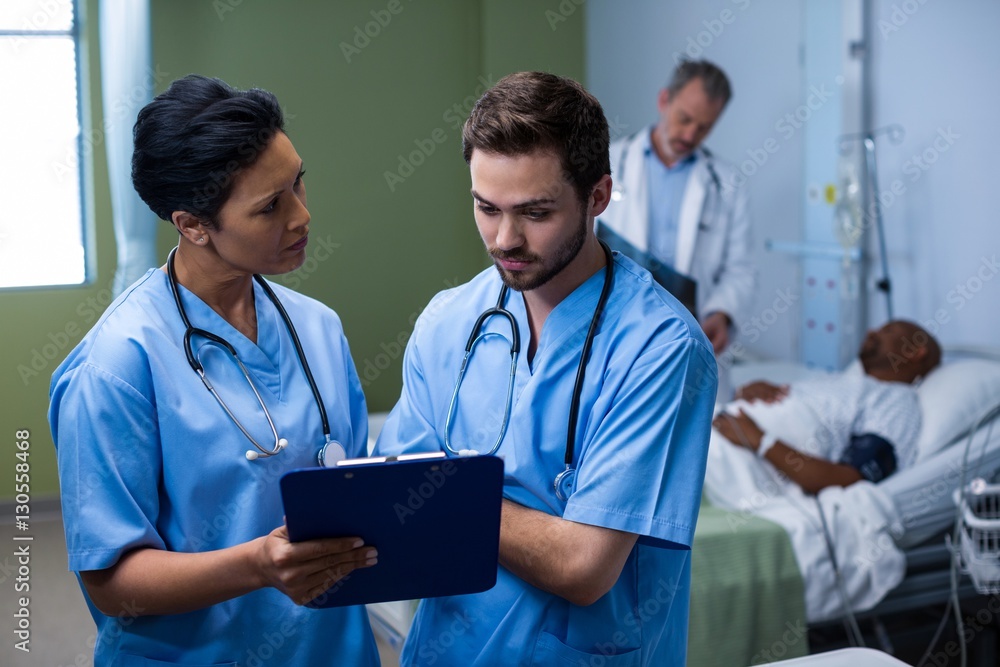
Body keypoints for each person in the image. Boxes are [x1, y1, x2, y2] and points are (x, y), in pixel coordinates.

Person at [375, 71, 718, 666]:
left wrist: (442, 493)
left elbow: (582, 568)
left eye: (535, 212)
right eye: (487, 208)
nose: (505, 239)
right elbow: (393, 511)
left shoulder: (660, 346)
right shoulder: (447, 322)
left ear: (598, 197)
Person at [48, 75, 380, 666]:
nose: (302, 215)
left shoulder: (318, 328)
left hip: (332, 650)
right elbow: (112, 584)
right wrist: (257, 566)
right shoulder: (115, 367)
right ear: (194, 225)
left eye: (298, 182)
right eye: (270, 206)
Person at [597, 59, 755, 381]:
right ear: (664, 100)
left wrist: (722, 313)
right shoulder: (608, 163)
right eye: (685, 118)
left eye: (704, 127)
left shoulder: (727, 184)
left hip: (687, 337)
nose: (690, 134)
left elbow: (741, 268)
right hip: (615, 329)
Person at [710, 320, 941, 497]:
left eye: (888, 331)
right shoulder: (841, 383)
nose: (872, 332)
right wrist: (744, 392)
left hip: (739, 454)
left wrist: (761, 441)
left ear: (915, 351)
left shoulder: (898, 401)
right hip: (721, 428)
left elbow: (850, 479)